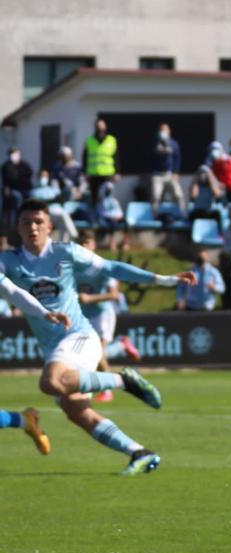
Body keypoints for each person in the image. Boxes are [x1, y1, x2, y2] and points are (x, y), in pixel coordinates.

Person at [2, 199, 196, 475]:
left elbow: (111, 268)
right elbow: (12, 293)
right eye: (26, 222)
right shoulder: (8, 261)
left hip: (79, 336)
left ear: (50, 227)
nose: (32, 227)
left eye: (38, 222)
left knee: (51, 381)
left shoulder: (67, 252)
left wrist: (163, 280)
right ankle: (141, 453)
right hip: (52, 347)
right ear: (18, 229)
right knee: (78, 413)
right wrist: (45, 313)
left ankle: (123, 380)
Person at [75, 231, 142, 402]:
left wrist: (90, 298)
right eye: (80, 244)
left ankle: (107, 390)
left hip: (103, 314)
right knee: (90, 354)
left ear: (94, 245)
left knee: (97, 353)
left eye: (87, 243)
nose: (83, 247)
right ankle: (121, 344)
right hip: (85, 316)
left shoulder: (103, 267)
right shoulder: (74, 268)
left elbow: (114, 295)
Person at [82, 119, 119, 215]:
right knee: (94, 198)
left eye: (102, 126)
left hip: (108, 174)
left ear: (105, 127)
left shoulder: (111, 140)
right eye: (98, 126)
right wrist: (85, 172)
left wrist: (117, 172)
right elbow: (85, 157)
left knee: (107, 198)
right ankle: (95, 220)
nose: (100, 129)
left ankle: (108, 219)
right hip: (93, 174)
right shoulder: (89, 140)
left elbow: (116, 157)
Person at [150, 123, 186, 215]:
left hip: (170, 174)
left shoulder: (174, 144)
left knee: (178, 195)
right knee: (156, 196)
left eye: (165, 130)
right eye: (162, 130)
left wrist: (176, 172)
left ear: (169, 131)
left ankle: (182, 215)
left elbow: (177, 158)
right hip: (157, 175)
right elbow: (149, 157)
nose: (163, 132)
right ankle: (155, 216)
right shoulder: (154, 143)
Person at [2, 147, 34, 236]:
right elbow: (11, 179)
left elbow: (29, 174)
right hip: (14, 190)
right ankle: (19, 218)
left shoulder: (24, 165)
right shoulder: (6, 166)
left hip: (25, 189)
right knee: (17, 197)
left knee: (31, 195)